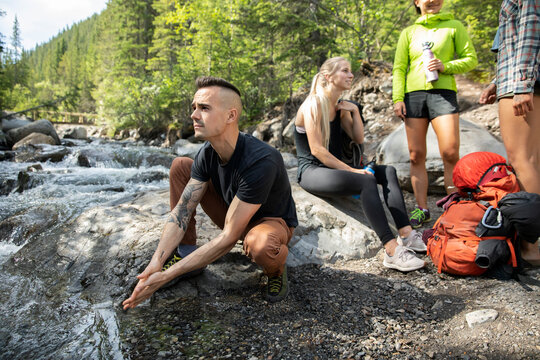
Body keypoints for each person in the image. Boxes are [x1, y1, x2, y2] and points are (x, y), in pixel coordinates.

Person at [123, 76, 298, 309]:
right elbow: (181, 213)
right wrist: (157, 262)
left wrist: (166, 276)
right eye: (194, 108)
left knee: (261, 245)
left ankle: (276, 271)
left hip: (269, 223)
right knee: (181, 166)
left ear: (231, 116)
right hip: (233, 213)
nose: (194, 115)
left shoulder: (261, 160)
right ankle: (185, 252)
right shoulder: (207, 152)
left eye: (204, 108)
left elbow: (228, 238)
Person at [294, 56, 426, 272]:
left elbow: (358, 139)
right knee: (366, 181)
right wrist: (354, 171)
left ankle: (406, 234)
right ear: (328, 77)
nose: (351, 74)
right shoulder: (313, 104)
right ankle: (392, 251)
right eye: (345, 71)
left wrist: (354, 111)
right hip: (312, 171)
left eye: (350, 71)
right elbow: (317, 150)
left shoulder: (340, 106)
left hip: (332, 170)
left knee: (388, 171)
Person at [392, 0, 478, 228]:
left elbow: (471, 59)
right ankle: (422, 209)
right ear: (417, 2)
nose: (433, 0)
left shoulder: (454, 26)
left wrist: (446, 66)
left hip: (443, 93)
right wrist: (397, 98)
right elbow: (399, 67)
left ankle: (452, 208)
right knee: (415, 155)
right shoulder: (408, 32)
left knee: (450, 152)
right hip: (414, 96)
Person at [496, 0, 540, 266]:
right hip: (516, 77)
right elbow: (513, 42)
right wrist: (495, 81)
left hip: (520, 81)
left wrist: (522, 82)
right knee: (533, 160)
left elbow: (531, 30)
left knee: (522, 160)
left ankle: (532, 246)